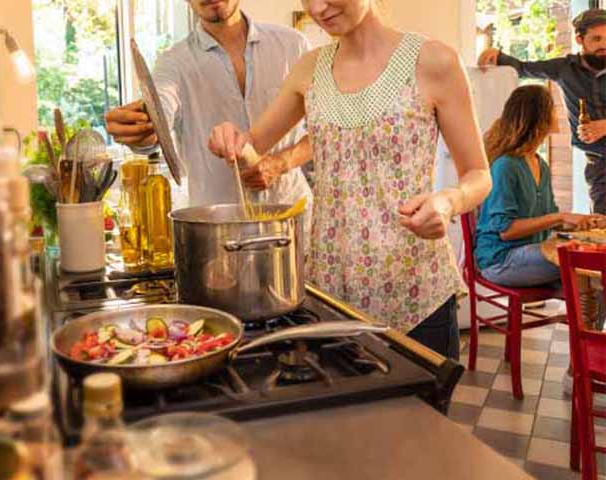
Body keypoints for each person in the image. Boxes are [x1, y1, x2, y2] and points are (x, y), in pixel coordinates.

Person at [208, 0, 492, 359]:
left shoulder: (434, 62)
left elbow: (479, 174)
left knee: (421, 416)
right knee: (338, 415)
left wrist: (447, 200)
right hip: (330, 297)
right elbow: (253, 145)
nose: (318, 7)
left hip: (415, 292)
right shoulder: (309, 69)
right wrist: (230, 138)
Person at [104, 0, 313, 229]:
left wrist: (281, 162)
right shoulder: (172, 64)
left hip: (294, 221)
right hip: (217, 233)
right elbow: (159, 112)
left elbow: (327, 129)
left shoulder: (293, 45)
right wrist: (142, 130)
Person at [478, 8, 606, 213]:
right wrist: (497, 56)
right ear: (580, 39)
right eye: (597, 39)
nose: (603, 45)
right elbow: (523, 67)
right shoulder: (564, 69)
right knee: (601, 223)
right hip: (599, 164)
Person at [476, 85, 604, 288]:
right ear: (539, 117)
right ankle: (584, 320)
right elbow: (506, 231)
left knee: (593, 265)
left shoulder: (540, 164)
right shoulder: (505, 166)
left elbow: (547, 221)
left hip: (532, 251)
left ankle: (585, 321)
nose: (557, 112)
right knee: (586, 266)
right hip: (501, 260)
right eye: (553, 108)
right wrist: (561, 216)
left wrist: (584, 222)